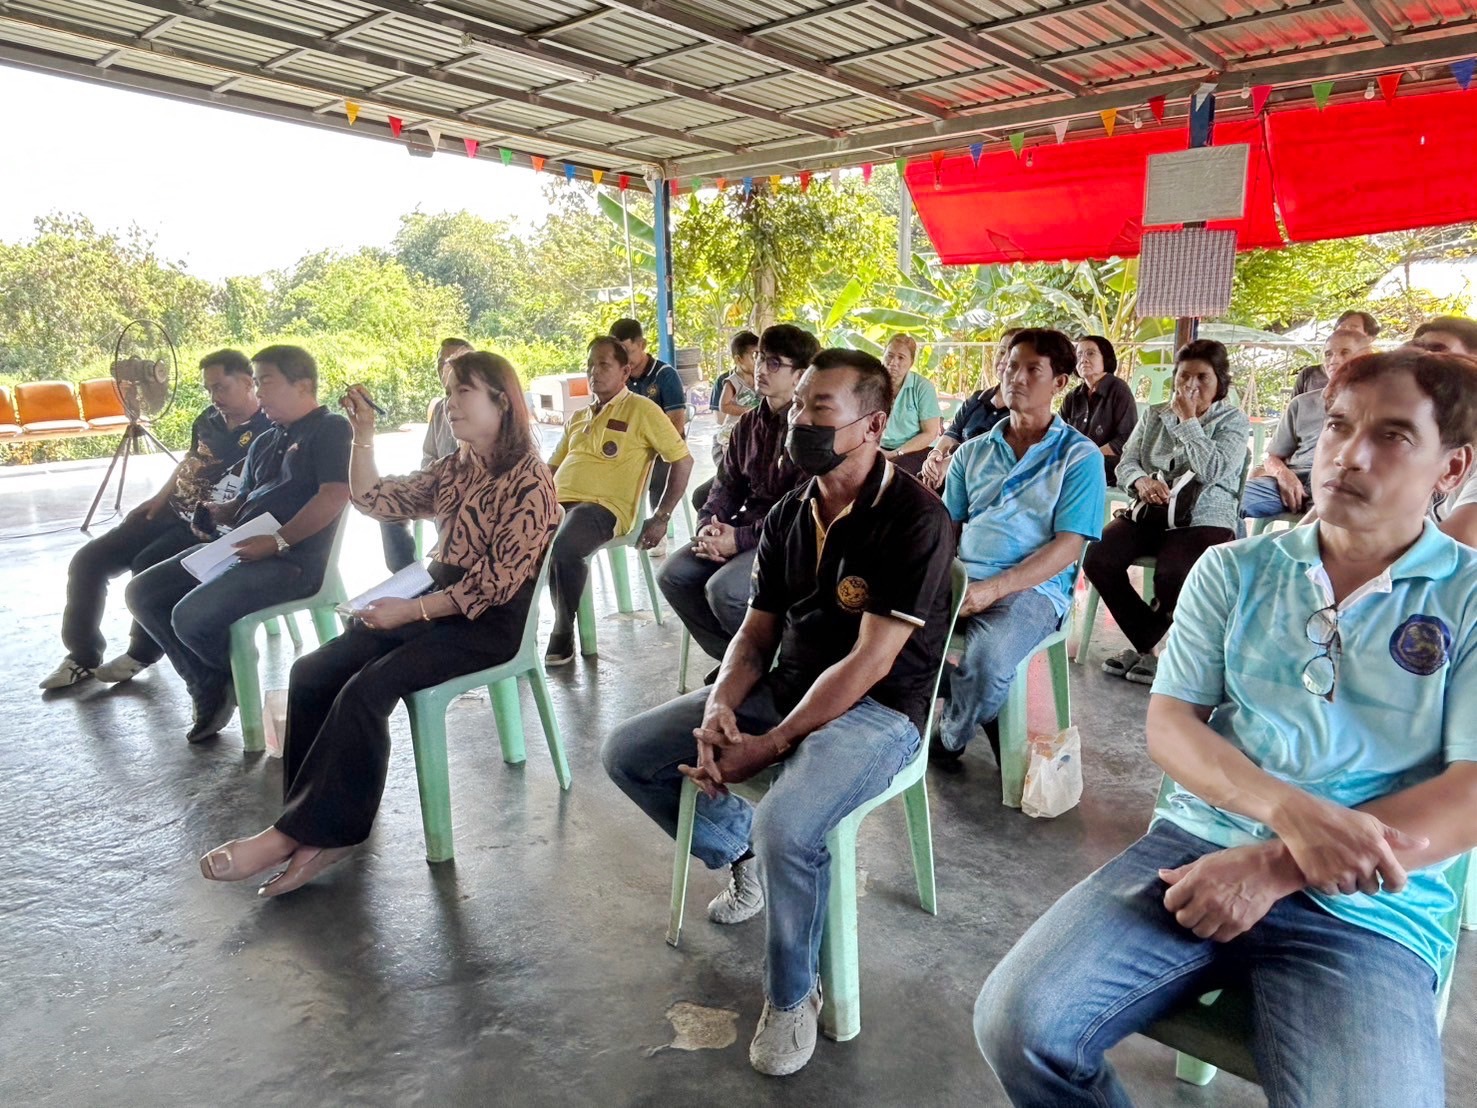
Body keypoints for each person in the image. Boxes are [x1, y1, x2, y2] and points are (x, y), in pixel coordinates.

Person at [975, 347, 1477, 1108]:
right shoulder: (1237, 569)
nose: (1347, 454)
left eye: (1393, 436)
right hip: (1198, 849)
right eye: (1338, 426)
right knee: (1019, 1024)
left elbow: (1469, 790)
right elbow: (1171, 724)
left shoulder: (1465, 598)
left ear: (1451, 468)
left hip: (1374, 902)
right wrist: (1283, 811)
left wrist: (1279, 865)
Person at [603, 349, 955, 1077]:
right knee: (631, 752)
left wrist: (775, 741)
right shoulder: (794, 509)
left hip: (878, 713)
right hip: (786, 683)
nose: (799, 421)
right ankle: (742, 855)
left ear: (873, 425)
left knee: (790, 821)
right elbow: (755, 632)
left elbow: (869, 662)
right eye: (799, 408)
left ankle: (793, 993)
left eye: (819, 410)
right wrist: (723, 708)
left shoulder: (915, 518)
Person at [197, 352, 559, 897]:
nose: (450, 405)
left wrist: (409, 611)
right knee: (314, 671)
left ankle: (315, 836)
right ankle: (305, 826)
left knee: (370, 686)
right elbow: (373, 499)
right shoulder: (459, 464)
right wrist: (363, 434)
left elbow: (494, 585)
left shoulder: (531, 482)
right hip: (435, 595)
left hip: (487, 620)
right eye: (449, 392)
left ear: (501, 402)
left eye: (463, 393)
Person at [125, 345, 352, 742]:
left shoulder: (330, 429)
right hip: (241, 547)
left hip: (293, 561)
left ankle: (215, 682)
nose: (259, 393)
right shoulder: (267, 439)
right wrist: (222, 510)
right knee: (142, 591)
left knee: (189, 617)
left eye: (266, 382)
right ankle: (213, 680)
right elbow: (247, 499)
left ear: (303, 385)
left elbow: (334, 495)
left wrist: (279, 541)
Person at [40, 351, 271, 690]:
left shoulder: (269, 429)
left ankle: (141, 652)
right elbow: (190, 461)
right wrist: (158, 499)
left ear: (248, 382)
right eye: (209, 389)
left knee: (147, 565)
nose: (214, 397)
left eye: (221, 387)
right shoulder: (208, 418)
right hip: (170, 509)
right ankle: (83, 656)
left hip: (204, 526)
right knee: (88, 560)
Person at [933, 329, 1105, 761]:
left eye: (1033, 369)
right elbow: (948, 528)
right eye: (1011, 366)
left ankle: (950, 737)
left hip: (1034, 590)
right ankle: (984, 704)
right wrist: (941, 576)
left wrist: (995, 588)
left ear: (1060, 383)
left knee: (989, 664)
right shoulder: (972, 452)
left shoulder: (1079, 456)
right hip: (965, 578)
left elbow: (1068, 547)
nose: (1016, 378)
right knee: (881, 630)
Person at [1084, 339, 1249, 686]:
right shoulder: (1155, 414)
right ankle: (1152, 643)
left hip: (1205, 516)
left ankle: (1163, 650)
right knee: (1097, 555)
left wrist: (1188, 420)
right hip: (1152, 511)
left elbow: (1213, 469)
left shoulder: (1233, 421)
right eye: (1184, 376)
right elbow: (1127, 460)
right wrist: (1141, 481)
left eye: (1203, 377)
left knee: (1173, 572)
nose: (1191, 386)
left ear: (1220, 381)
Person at [658, 324, 816, 667]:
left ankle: (771, 668)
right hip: (745, 529)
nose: (760, 369)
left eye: (774, 363)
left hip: (787, 541)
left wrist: (740, 539)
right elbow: (727, 484)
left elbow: (800, 511)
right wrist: (709, 525)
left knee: (725, 591)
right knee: (673, 575)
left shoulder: (811, 430)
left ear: (800, 375)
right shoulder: (748, 425)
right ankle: (737, 663)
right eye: (760, 358)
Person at [545, 336, 693, 666]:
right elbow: (550, 467)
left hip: (603, 508)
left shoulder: (643, 410)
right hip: (556, 503)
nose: (593, 372)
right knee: (511, 538)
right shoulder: (579, 416)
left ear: (625, 371)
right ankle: (509, 635)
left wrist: (662, 516)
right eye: (589, 365)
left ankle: (562, 629)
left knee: (566, 542)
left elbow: (682, 460)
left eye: (603, 365)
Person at [1241, 328, 1372, 526]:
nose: (1333, 360)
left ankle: (1289, 552)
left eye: (1344, 352)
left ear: (1366, 356)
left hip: (1340, 484)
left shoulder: (1378, 406)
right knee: (1225, 502)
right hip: (1292, 483)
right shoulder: (1302, 404)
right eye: (1328, 354)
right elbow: (1273, 457)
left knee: (1333, 520)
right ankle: (1227, 555)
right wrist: (1284, 476)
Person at [611, 317, 686, 541]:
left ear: (642, 345)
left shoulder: (665, 376)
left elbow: (676, 424)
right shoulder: (618, 378)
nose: (625, 360)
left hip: (664, 448)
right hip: (631, 446)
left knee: (657, 474)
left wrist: (646, 446)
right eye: (618, 354)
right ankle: (616, 526)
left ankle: (656, 529)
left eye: (629, 351)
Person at [919, 328, 1019, 491]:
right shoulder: (978, 399)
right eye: (1001, 351)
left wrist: (949, 464)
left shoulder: (1023, 411)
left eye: (1013, 354)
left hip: (985, 486)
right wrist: (936, 455)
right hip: (947, 474)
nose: (1004, 359)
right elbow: (952, 433)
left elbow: (993, 453)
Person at [692, 330, 761, 512]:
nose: (760, 362)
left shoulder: (760, 380)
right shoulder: (731, 381)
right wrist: (747, 411)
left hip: (754, 440)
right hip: (734, 432)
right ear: (739, 360)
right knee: (705, 496)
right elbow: (723, 408)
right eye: (755, 356)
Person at [1057, 335, 1137, 487]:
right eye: (1079, 354)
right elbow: (1058, 433)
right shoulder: (1073, 396)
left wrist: (1088, 456)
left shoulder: (1119, 390)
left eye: (1090, 353)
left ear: (1105, 358)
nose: (1083, 359)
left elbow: (1126, 439)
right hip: (1074, 464)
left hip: (1106, 467)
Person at [879, 333, 942, 474]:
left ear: (911, 363)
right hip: (881, 448)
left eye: (901, 358)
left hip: (915, 450)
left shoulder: (922, 387)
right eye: (889, 355)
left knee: (895, 474)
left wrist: (896, 453)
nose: (893, 362)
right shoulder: (872, 385)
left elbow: (930, 432)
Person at [1291, 310, 1381, 396]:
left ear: (1370, 338)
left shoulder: (1381, 377)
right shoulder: (1309, 375)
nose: (1334, 360)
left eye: (1345, 352)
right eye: (1341, 329)